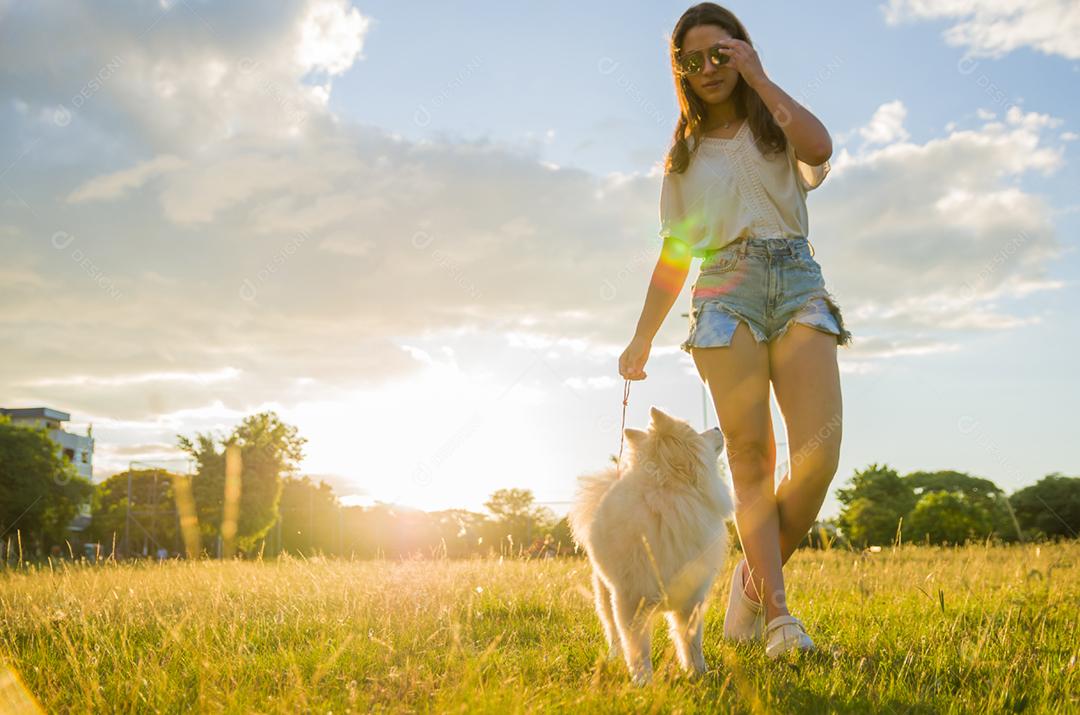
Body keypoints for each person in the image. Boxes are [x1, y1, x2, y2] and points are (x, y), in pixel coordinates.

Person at [618, 3, 853, 659]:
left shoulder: (775, 126)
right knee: (751, 459)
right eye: (690, 61)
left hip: (798, 280)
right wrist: (641, 337)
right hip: (724, 289)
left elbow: (820, 148)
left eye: (720, 54)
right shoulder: (684, 157)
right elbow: (676, 252)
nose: (706, 69)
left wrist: (761, 77)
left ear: (741, 51)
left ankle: (750, 584)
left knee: (818, 458)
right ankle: (781, 619)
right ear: (680, 72)